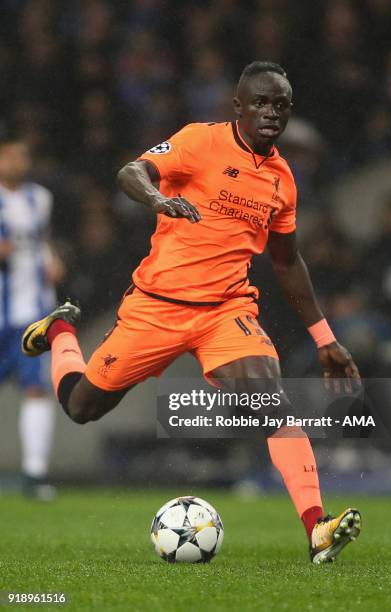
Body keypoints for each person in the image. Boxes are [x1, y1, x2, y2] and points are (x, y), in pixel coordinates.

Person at [22, 62, 362, 561]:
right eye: (260, 103)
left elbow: (287, 262)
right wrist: (158, 197)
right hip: (155, 308)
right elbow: (130, 171)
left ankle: (317, 527)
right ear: (238, 107)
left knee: (271, 401)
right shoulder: (200, 141)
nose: (270, 112)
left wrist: (325, 337)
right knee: (81, 407)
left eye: (280, 105)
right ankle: (62, 330)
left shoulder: (282, 182)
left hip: (226, 311)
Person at [0, 134, 63, 500]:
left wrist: (54, 260)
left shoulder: (40, 198)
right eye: (8, 156)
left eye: (20, 156)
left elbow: (43, 241)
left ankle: (35, 474)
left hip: (33, 313)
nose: (15, 163)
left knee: (37, 390)